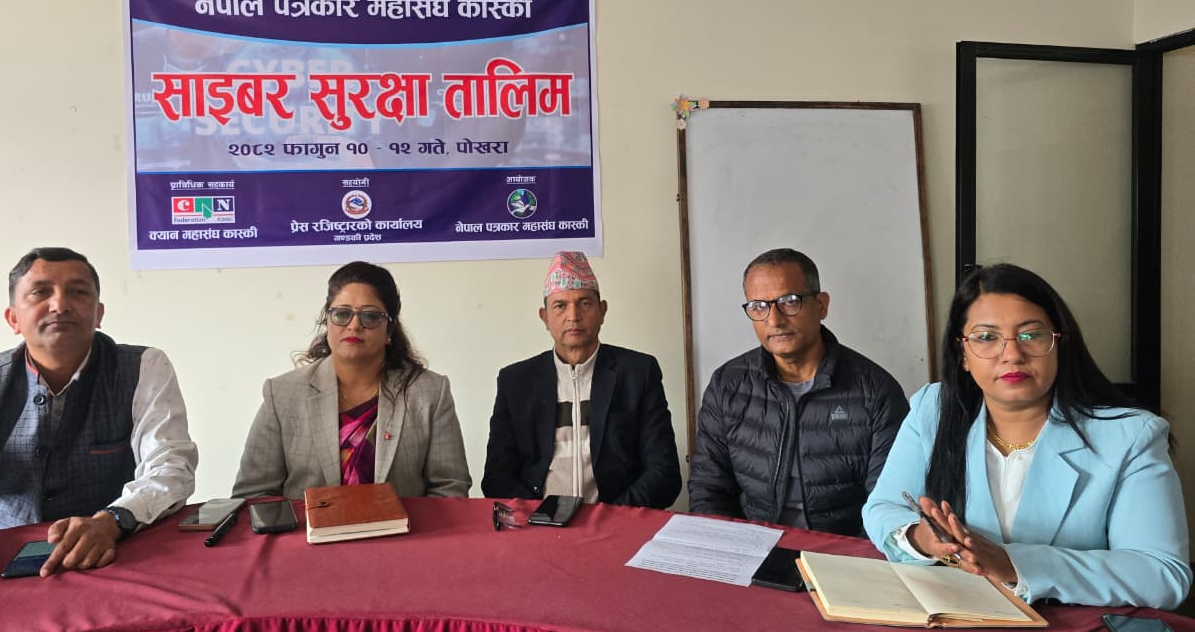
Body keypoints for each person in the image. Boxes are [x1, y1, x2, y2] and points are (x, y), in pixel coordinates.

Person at [863, 263, 1191, 609]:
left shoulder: (1130, 436)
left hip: (1073, 629)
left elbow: (1161, 574)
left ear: (1059, 343)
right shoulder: (934, 409)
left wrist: (1012, 563)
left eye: (1031, 335)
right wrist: (921, 538)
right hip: (957, 617)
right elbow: (883, 508)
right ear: (963, 355)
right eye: (986, 337)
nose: (1012, 355)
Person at [0, 247, 198, 582]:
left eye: (78, 292)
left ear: (99, 314)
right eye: (40, 292)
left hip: (114, 558)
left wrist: (113, 520)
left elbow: (170, 467)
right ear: (13, 319)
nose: (60, 305)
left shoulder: (144, 368)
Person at [688, 248, 908, 533]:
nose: (774, 320)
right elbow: (708, 487)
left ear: (821, 305)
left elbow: (888, 503)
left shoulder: (875, 391)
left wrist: (850, 556)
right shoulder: (728, 385)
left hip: (840, 549)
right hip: (752, 545)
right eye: (758, 306)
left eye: (789, 302)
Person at [233, 261, 470, 500]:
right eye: (342, 314)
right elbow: (254, 494)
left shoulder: (429, 393)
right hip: (303, 525)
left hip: (406, 525)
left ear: (389, 331)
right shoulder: (282, 394)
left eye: (370, 316)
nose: (354, 326)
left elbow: (450, 488)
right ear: (327, 321)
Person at [482, 251, 681, 508]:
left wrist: (612, 516)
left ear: (602, 310)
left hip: (619, 519)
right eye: (560, 305)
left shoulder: (638, 373)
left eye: (585, 303)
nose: (573, 315)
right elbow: (497, 477)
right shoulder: (515, 382)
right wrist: (540, 516)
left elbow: (664, 473)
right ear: (545, 317)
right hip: (538, 522)